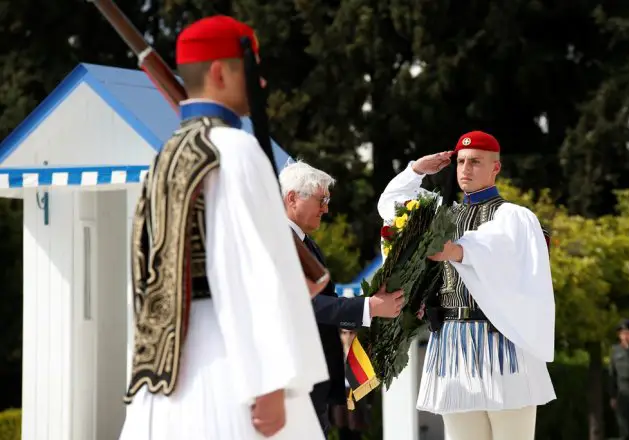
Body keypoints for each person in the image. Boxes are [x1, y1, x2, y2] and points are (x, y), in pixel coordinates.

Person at [118, 16, 329, 440]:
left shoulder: (166, 154)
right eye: (253, 70)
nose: (262, 84)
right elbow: (250, 268)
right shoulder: (235, 149)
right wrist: (271, 381)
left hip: (165, 369)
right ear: (219, 72)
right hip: (232, 369)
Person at [377, 131, 556, 440]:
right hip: (452, 343)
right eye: (460, 162)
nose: (465, 169)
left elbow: (499, 244)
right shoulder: (443, 215)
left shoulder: (515, 217)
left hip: (502, 343)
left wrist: (459, 250)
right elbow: (391, 209)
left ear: (495, 168)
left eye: (475, 162)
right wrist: (415, 171)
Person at [279, 160, 404, 437]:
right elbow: (303, 305)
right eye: (321, 199)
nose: (326, 208)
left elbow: (328, 299)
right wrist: (369, 307)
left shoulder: (303, 242)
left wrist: (376, 302)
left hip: (310, 383)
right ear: (292, 198)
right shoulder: (279, 242)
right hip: (291, 381)